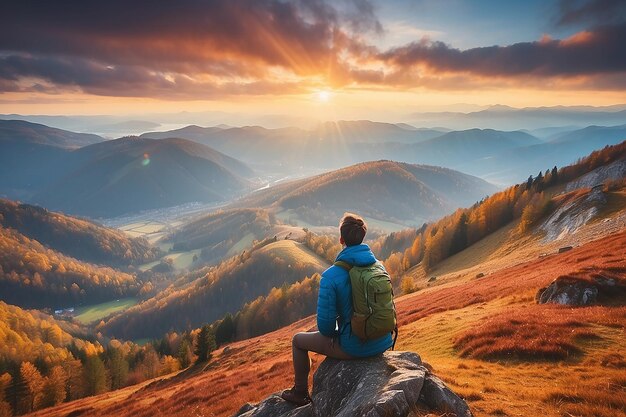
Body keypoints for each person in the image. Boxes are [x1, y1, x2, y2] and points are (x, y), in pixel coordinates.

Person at [281, 213, 394, 406]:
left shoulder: (331, 276)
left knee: (298, 341)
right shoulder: (379, 267)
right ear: (363, 237)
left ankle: (300, 392)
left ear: (341, 240)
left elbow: (325, 327)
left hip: (354, 347)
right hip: (383, 341)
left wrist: (335, 332)